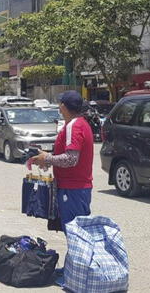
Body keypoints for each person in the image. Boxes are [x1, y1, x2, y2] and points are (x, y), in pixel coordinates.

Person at [32, 90, 94, 231]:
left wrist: (47, 158)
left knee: (75, 234)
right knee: (76, 233)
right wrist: (46, 159)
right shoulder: (79, 124)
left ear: (64, 107)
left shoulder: (74, 125)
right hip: (74, 187)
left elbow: (71, 159)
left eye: (60, 104)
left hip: (72, 188)